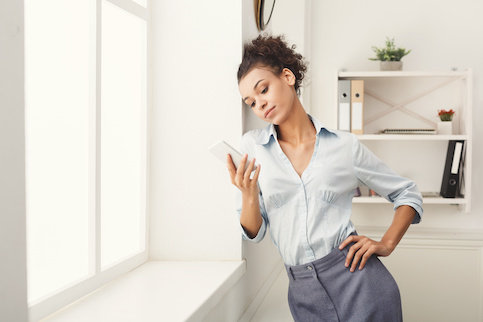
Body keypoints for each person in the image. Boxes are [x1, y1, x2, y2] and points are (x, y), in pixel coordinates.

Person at [226, 34, 423, 322]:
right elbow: (254, 233)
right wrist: (247, 193)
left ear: (288, 76)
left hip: (361, 284)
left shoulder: (344, 147)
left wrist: (386, 244)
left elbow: (407, 193)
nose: (260, 105)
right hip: (302, 292)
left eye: (263, 90)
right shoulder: (251, 149)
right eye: (251, 102)